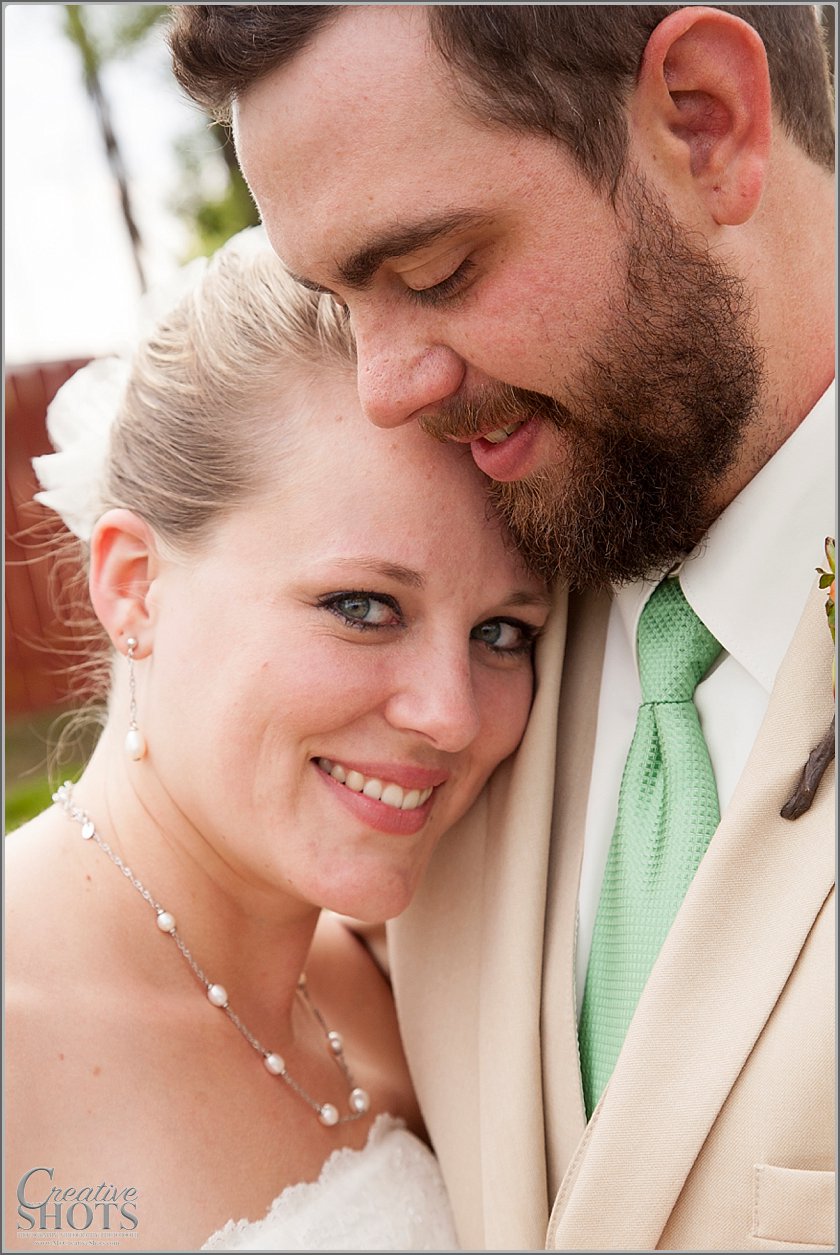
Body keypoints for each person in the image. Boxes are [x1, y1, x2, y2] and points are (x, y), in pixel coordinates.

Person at [168, 6, 837, 1251]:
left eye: (434, 274)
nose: (385, 391)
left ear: (704, 121)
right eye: (339, 298)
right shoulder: (455, 681)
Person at [4, 231, 553, 1252]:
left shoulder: (399, 984)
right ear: (134, 584)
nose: (451, 713)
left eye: (501, 633)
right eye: (362, 604)